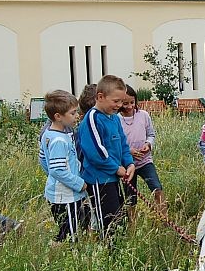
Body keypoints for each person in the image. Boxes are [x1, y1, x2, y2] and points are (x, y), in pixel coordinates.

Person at [78, 74, 135, 240]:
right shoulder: (92, 119)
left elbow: (123, 143)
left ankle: (117, 248)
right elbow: (96, 152)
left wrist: (129, 163)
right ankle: (109, 250)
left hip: (113, 177)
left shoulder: (114, 118)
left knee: (119, 218)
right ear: (100, 97)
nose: (119, 105)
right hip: (99, 180)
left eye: (121, 101)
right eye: (116, 101)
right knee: (109, 221)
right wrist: (116, 168)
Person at [39, 90, 90, 243]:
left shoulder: (49, 134)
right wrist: (79, 183)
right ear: (58, 116)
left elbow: (44, 160)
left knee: (72, 227)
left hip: (62, 192)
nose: (77, 116)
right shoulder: (58, 141)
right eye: (72, 113)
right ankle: (62, 251)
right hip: (66, 196)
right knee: (70, 234)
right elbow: (57, 170)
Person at [119, 84, 165, 217]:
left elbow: (151, 134)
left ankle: (164, 220)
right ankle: (132, 224)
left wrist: (148, 144)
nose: (129, 106)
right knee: (130, 197)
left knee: (157, 188)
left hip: (145, 161)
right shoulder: (116, 119)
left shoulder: (143, 115)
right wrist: (129, 151)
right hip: (127, 164)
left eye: (132, 102)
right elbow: (115, 144)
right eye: (125, 103)